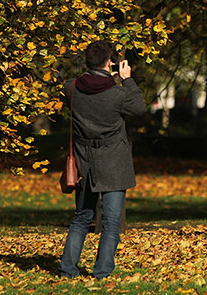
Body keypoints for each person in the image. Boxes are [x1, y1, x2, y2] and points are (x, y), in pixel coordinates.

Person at [58, 40, 146, 279]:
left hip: (84, 161)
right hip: (114, 161)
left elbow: (81, 85)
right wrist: (126, 79)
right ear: (111, 63)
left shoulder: (71, 88)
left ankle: (67, 269)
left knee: (81, 217)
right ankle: (102, 272)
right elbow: (139, 108)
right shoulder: (118, 94)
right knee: (110, 221)